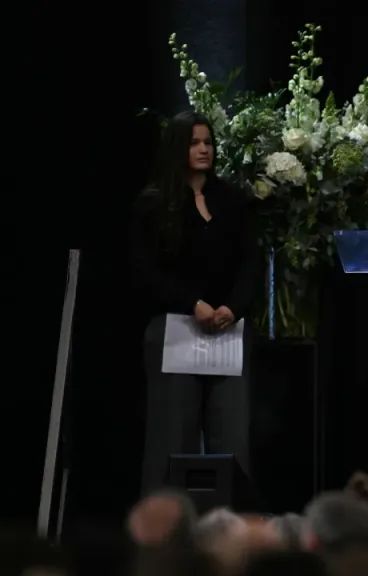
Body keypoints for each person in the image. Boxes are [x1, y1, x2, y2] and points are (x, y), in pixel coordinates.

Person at [131, 110, 259, 494]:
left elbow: (250, 262)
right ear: (177, 148)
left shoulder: (232, 200)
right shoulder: (155, 204)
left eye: (208, 142)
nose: (204, 149)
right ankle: (165, 522)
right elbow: (146, 271)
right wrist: (193, 303)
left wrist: (232, 307)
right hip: (175, 330)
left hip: (227, 330)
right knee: (172, 437)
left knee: (232, 437)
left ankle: (230, 520)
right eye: (194, 143)